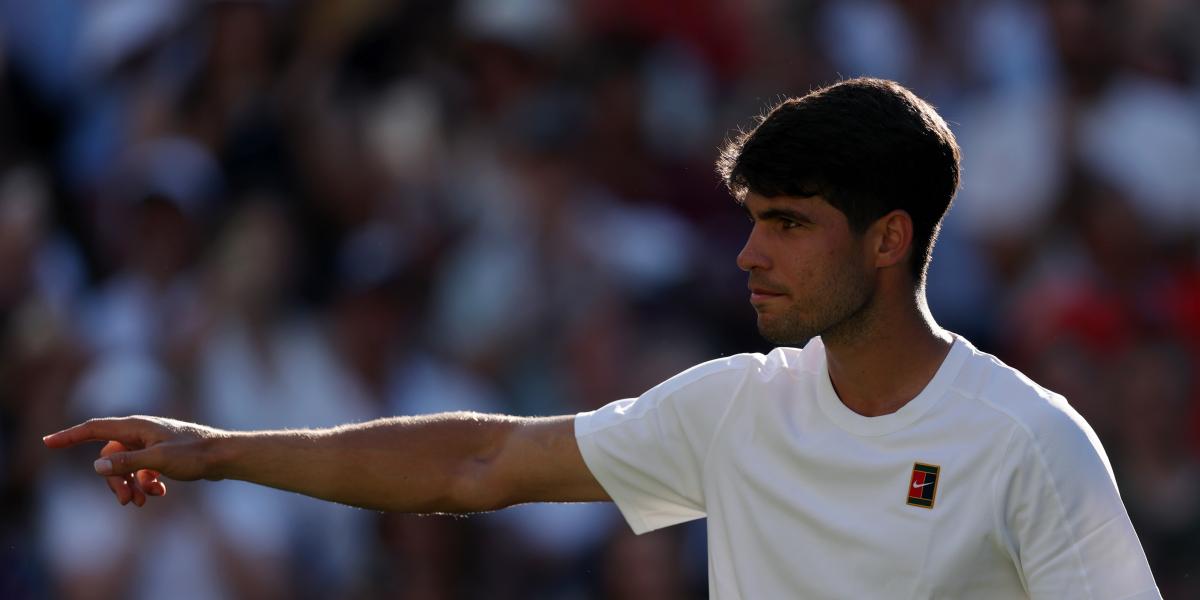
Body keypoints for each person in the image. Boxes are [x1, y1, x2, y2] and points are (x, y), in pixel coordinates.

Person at [44, 78, 1160, 599]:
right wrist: (222, 446)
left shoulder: (1029, 443)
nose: (749, 255)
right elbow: (480, 461)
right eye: (751, 221)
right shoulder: (732, 406)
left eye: (788, 224)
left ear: (888, 241)